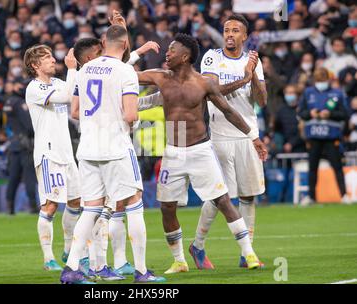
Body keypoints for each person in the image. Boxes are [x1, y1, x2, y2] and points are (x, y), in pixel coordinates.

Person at [137, 33, 267, 274]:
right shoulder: (160, 77)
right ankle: (179, 261)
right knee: (166, 207)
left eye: (172, 50)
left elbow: (229, 111)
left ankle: (249, 253)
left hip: (200, 150)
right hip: (172, 153)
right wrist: (133, 50)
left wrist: (253, 137)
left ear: (185, 57)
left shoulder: (203, 83)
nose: (167, 53)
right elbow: (124, 76)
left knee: (223, 201)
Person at [61, 25, 166, 284]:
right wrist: (133, 120)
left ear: (104, 41)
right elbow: (130, 114)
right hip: (116, 147)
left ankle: (71, 268)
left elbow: (74, 111)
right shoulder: (125, 71)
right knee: (134, 203)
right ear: (125, 43)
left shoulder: (85, 69)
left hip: (87, 149)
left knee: (91, 208)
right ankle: (141, 271)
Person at [194, 13, 267, 270]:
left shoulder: (254, 61)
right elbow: (211, 93)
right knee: (219, 196)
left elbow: (262, 101)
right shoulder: (212, 57)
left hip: (249, 135)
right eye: (227, 30)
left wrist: (253, 75)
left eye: (236, 30)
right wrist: (244, 79)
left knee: (248, 196)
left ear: (245, 36)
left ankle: (247, 253)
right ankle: (198, 244)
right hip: (221, 135)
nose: (230, 34)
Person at [23, 45, 83, 272]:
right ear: (34, 65)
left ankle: (68, 250)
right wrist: (72, 69)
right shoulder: (34, 88)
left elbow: (74, 93)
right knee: (50, 205)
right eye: (46, 57)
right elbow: (68, 96)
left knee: (76, 201)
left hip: (67, 154)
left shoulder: (58, 83)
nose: (52, 60)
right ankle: (48, 258)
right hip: (48, 155)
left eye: (51, 56)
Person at [298, 67, 351, 205]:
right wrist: (311, 114)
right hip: (314, 136)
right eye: (318, 80)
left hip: (331, 136)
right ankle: (311, 197)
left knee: (337, 167)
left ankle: (344, 195)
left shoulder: (337, 93)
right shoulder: (308, 93)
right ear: (315, 80)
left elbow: (345, 114)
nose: (321, 82)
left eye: (324, 79)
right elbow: (301, 113)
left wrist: (330, 114)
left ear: (328, 79)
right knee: (312, 168)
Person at [3, 78, 38, 215]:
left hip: (13, 144)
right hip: (25, 145)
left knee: (14, 177)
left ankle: (9, 207)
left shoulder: (8, 102)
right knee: (29, 176)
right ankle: (33, 206)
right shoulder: (20, 103)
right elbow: (29, 125)